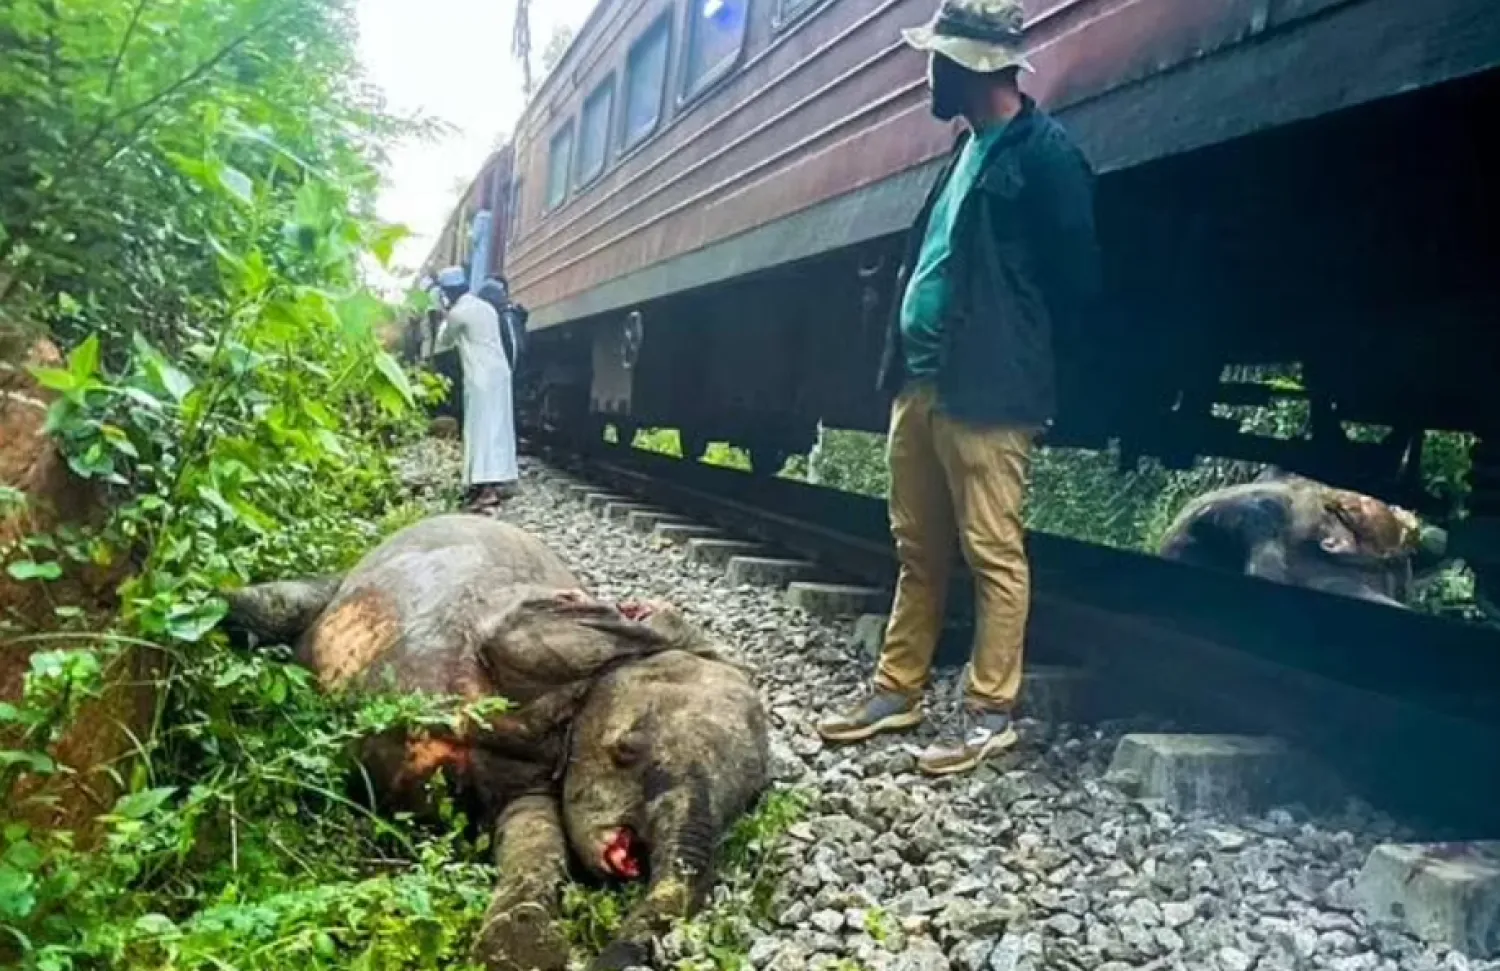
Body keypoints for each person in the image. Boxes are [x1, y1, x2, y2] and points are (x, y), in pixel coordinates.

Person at [816, 0, 1102, 776]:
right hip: (922, 382)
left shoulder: (1046, 156)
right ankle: (897, 689)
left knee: (991, 550)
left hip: (989, 390)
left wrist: (1022, 362)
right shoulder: (964, 149)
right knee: (918, 547)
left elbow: (1076, 281)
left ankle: (988, 711)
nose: (928, 73)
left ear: (973, 66)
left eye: (937, 59)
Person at [433, 266, 520, 512]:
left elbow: (443, 341)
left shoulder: (458, 313)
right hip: (499, 374)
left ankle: (485, 489)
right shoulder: (485, 307)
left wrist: (443, 315)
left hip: (480, 378)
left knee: (480, 431)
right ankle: (492, 481)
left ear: (448, 293)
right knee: (498, 428)